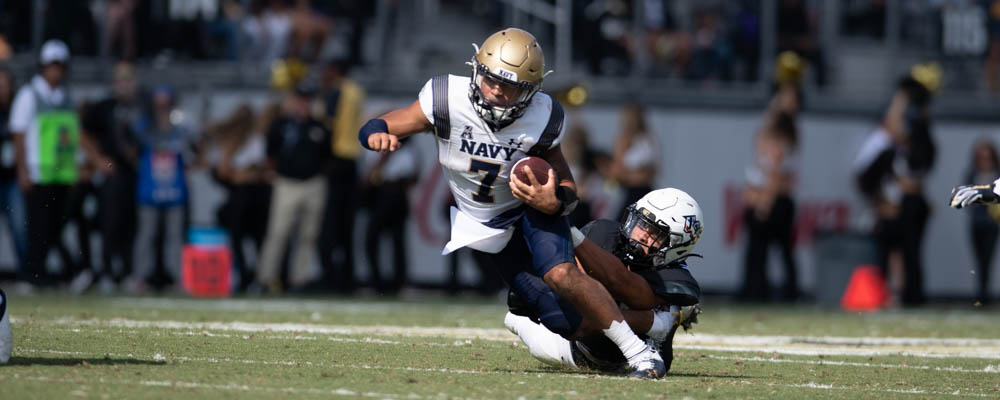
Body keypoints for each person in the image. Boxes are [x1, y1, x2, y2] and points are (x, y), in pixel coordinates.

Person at [359, 28, 666, 379]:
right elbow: (382, 123)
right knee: (566, 321)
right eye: (490, 79)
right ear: (477, 69)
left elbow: (567, 183)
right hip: (486, 224)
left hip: (529, 208)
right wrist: (376, 135)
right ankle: (655, 323)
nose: (496, 90)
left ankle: (641, 354)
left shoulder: (542, 115)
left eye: (510, 86)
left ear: (530, 91)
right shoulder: (445, 98)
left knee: (561, 274)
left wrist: (555, 201)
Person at [504, 188, 703, 374]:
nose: (641, 234)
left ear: (678, 246)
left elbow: (623, 284)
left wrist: (571, 230)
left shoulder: (677, 278)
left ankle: (665, 324)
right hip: (573, 345)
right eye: (641, 223)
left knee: (673, 309)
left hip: (613, 347)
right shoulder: (605, 233)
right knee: (518, 310)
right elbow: (585, 309)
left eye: (654, 233)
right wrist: (655, 323)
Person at [854, 73, 937, 307]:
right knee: (884, 253)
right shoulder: (884, 148)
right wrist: (879, 203)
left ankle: (911, 297)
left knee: (911, 253)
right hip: (887, 207)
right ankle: (885, 295)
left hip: (909, 206)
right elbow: (866, 178)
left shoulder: (920, 144)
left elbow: (916, 179)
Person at [10, 39, 81, 286]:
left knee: (53, 227)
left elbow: (72, 136)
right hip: (38, 172)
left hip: (61, 173)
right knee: (37, 227)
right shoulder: (29, 95)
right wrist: (23, 170)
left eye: (60, 66)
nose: (56, 71)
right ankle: (32, 274)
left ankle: (42, 273)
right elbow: (18, 134)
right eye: (52, 65)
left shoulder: (66, 96)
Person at [254, 80, 331, 294]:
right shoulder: (281, 124)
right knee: (278, 232)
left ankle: (300, 280)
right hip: (286, 182)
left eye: (308, 100)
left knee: (309, 234)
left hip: (313, 183)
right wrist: (273, 173)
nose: (304, 104)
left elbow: (328, 156)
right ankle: (265, 279)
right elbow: (269, 152)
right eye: (301, 99)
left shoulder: (320, 126)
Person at [740, 54, 803, 302]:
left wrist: (764, 202)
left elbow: (774, 174)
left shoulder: (780, 138)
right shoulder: (779, 132)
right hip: (770, 198)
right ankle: (768, 292)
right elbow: (770, 116)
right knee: (774, 251)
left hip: (772, 200)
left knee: (768, 250)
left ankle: (762, 292)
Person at [76, 62, 141, 293]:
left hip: (137, 172)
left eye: (129, 80)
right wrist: (97, 160)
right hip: (113, 168)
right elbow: (81, 132)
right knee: (109, 222)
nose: (125, 85)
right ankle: (106, 271)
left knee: (130, 224)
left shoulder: (139, 107)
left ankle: (127, 272)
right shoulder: (105, 107)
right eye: (121, 80)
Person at [126, 85, 193, 293]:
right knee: (147, 234)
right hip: (150, 187)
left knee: (175, 235)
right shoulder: (144, 125)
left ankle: (178, 277)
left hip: (174, 188)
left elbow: (192, 146)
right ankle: (140, 276)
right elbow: (133, 144)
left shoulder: (181, 124)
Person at [317, 59, 365, 293]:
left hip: (336, 160)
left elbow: (328, 126)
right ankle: (348, 279)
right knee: (347, 226)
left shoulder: (336, 92)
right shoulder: (356, 91)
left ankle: (331, 279)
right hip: (352, 161)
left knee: (329, 226)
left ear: (334, 70)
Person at [362, 136, 420, 295]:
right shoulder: (375, 141)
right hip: (381, 190)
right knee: (374, 238)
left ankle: (399, 282)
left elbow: (415, 172)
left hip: (395, 190)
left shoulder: (406, 144)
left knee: (397, 239)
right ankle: (377, 282)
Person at [951, 139, 1000, 305]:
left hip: (992, 224)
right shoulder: (973, 174)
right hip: (976, 223)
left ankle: (984, 295)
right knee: (978, 260)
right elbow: (963, 197)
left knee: (987, 259)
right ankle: (980, 294)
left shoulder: (997, 174)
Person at [610, 103, 659, 222]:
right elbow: (617, 171)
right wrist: (635, 177)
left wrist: (642, 175)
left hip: (645, 190)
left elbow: (655, 168)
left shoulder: (647, 138)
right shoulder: (623, 140)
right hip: (629, 190)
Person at [0, 67, 27, 275]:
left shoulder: (18, 108)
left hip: (11, 179)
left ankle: (26, 272)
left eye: (4, 84)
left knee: (20, 226)